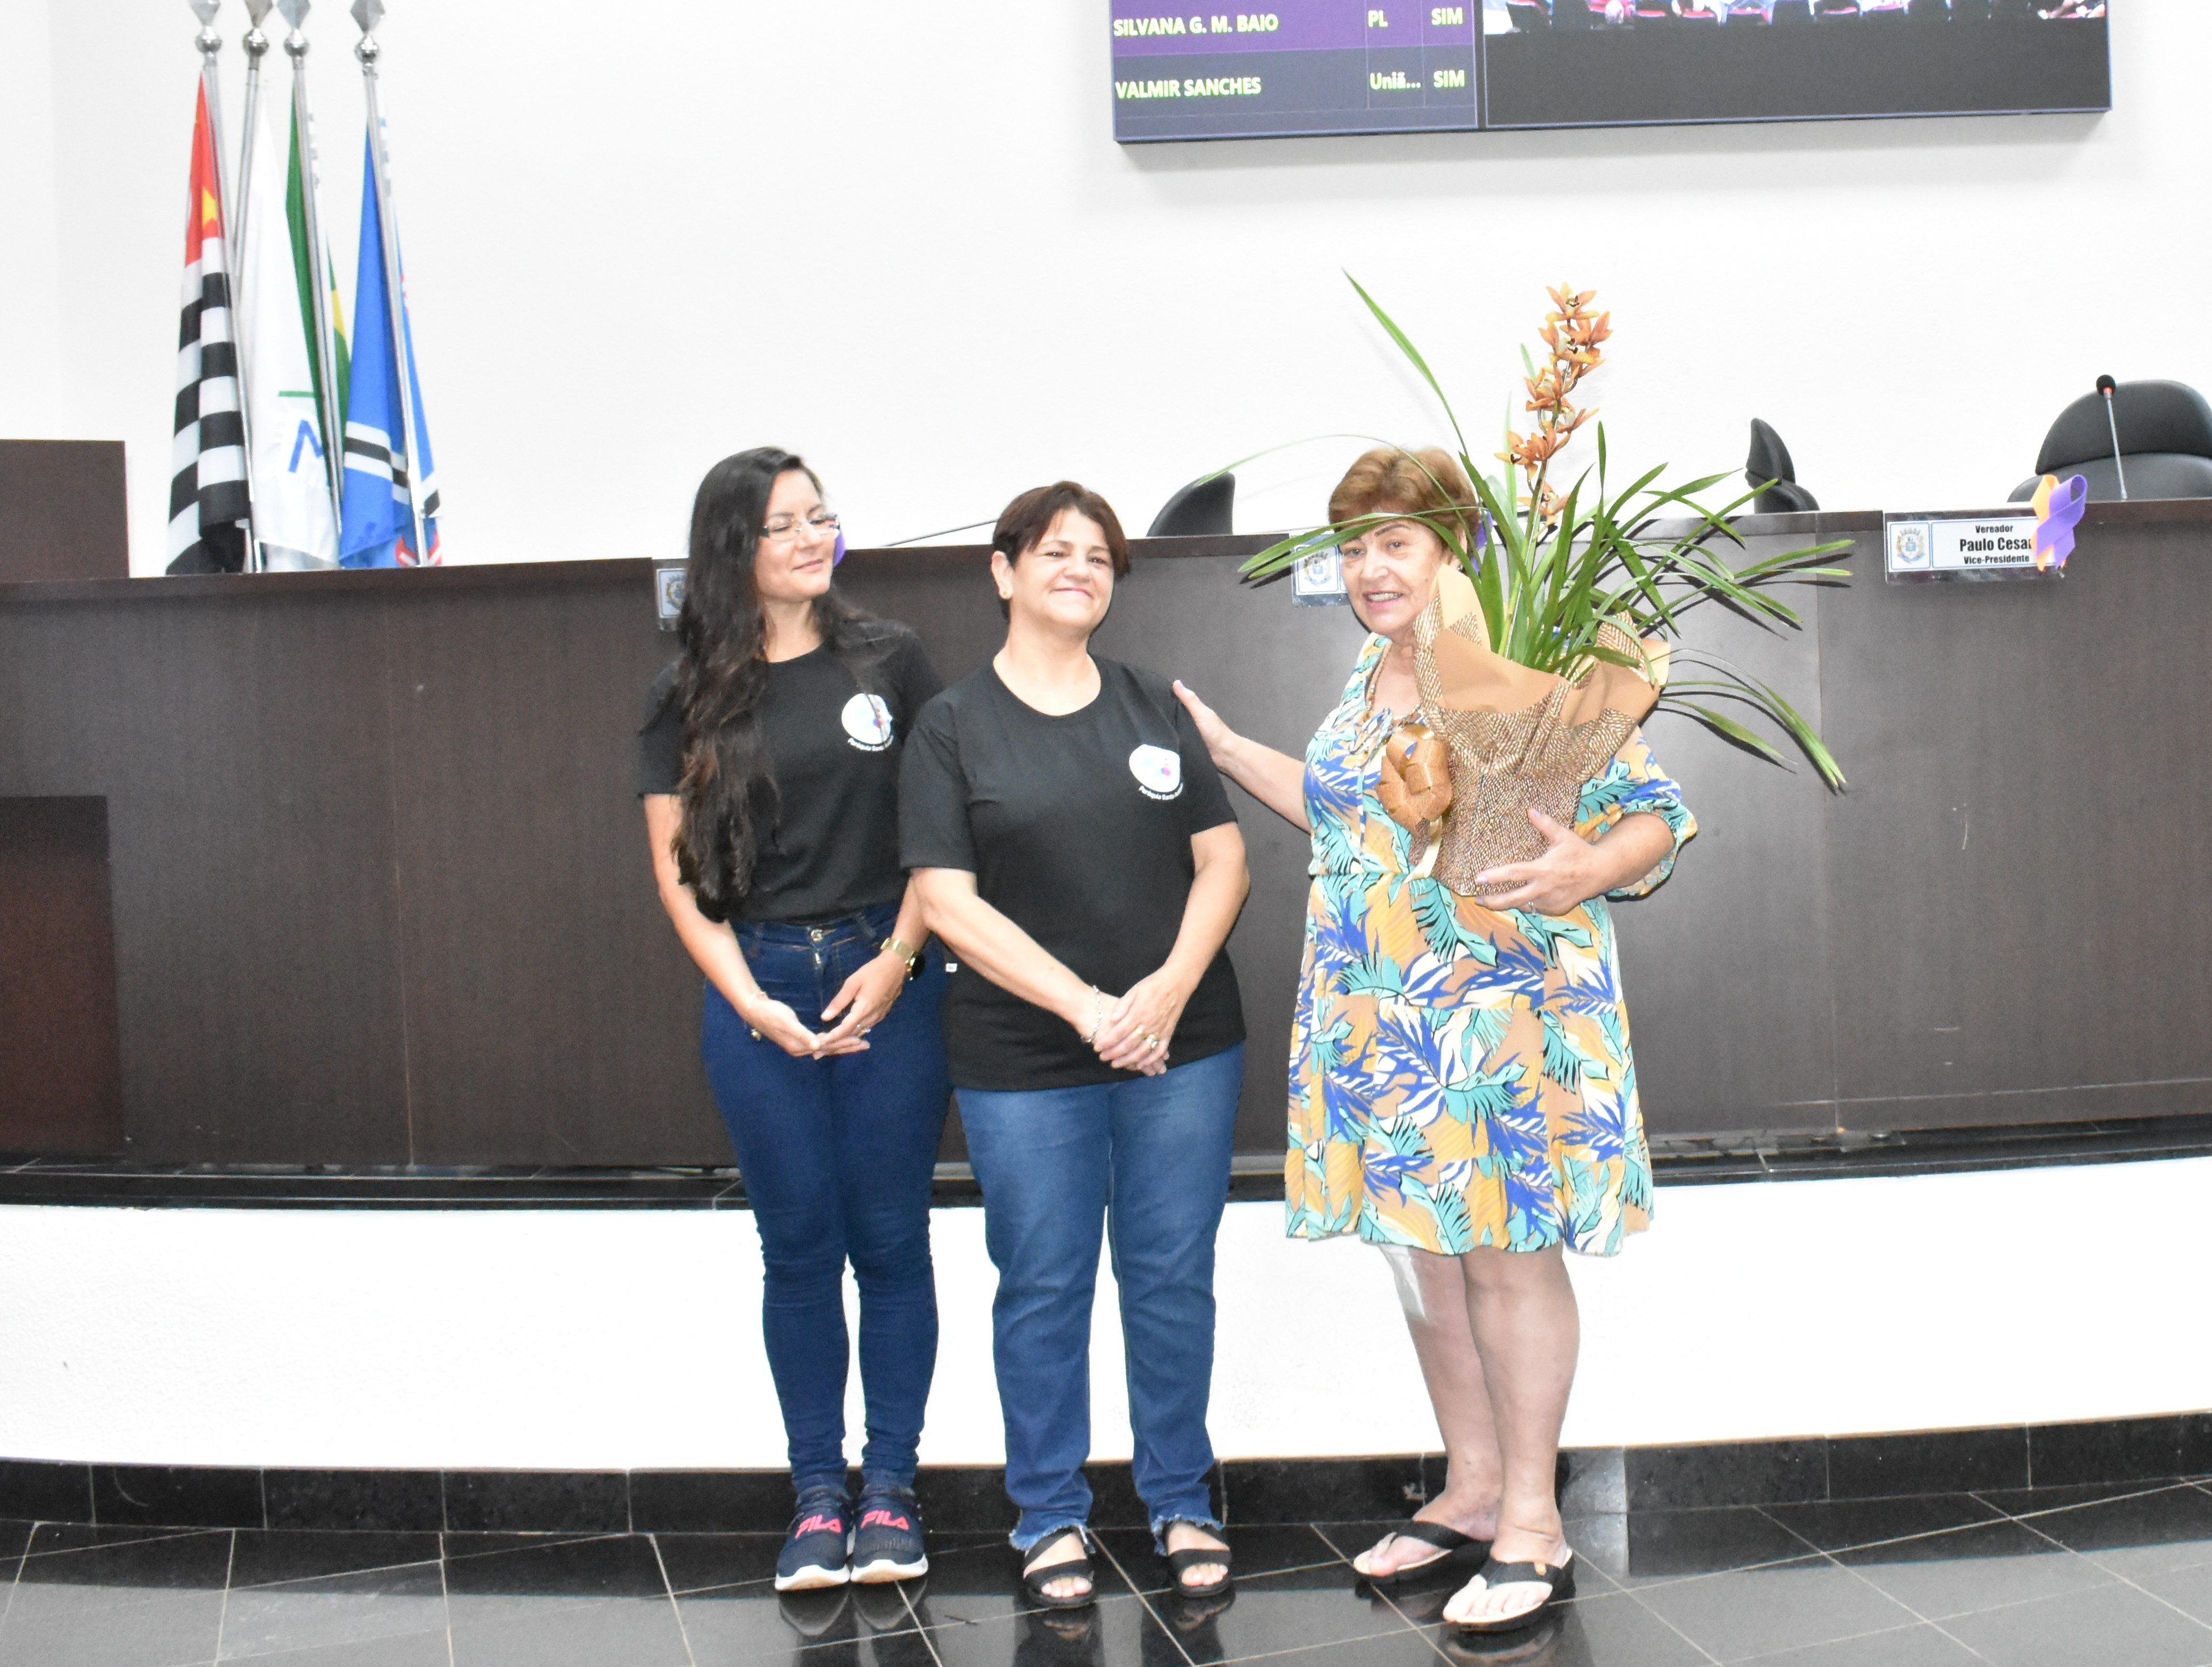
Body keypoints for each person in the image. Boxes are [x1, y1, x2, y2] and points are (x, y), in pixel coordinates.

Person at [1171, 447, 1692, 1640]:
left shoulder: (1520, 660)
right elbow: (1345, 815)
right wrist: (1228, 749)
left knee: (1505, 1257)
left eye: (1395, 542)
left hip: (1499, 1016)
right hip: (1383, 1017)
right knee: (1428, 1257)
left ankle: (1533, 1524)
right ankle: (1470, 1488)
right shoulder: (1370, 675)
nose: (1370, 567)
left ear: (1455, 550)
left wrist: (1587, 866)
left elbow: (1656, 815)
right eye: (1353, 547)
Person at [898, 482, 1251, 1610]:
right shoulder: (952, 725)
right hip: (1022, 1056)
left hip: (1183, 1045)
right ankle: (1049, 1513)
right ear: (1004, 572)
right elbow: (945, 901)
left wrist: (1166, 991)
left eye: (1099, 555)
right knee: (1043, 1284)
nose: (1080, 569)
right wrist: (1092, 1008)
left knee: (1171, 1280)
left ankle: (1181, 1498)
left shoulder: (1151, 703)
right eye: (1056, 550)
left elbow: (1224, 860)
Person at [637, 448, 948, 1594]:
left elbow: (942, 836)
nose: (815, 537)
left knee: (893, 1242)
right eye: (785, 524)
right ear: (735, 548)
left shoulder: (891, 658)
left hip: (890, 977)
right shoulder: (684, 692)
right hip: (757, 983)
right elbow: (677, 873)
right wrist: (751, 1001)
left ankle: (893, 1492)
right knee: (799, 1250)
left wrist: (898, 960)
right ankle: (819, 1495)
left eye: (822, 515)